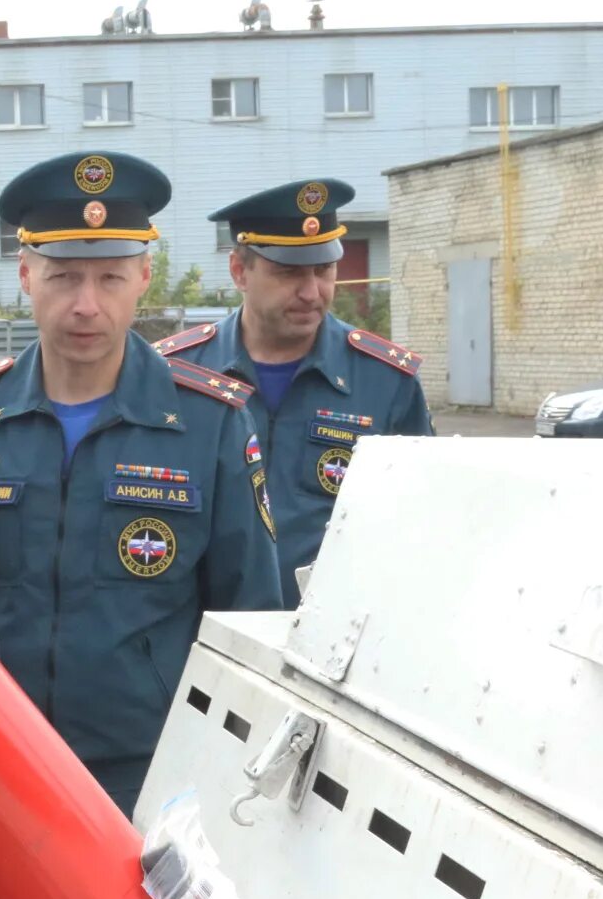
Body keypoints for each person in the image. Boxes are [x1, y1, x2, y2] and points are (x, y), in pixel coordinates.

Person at [0, 152, 282, 818]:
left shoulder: (210, 425)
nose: (86, 304)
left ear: (143, 276)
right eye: (63, 277)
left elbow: (251, 624)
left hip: (151, 777)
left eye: (110, 277)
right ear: (26, 275)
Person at [153, 179, 434, 603]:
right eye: (288, 273)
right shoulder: (175, 373)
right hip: (204, 631)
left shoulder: (386, 381)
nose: (311, 292)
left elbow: (419, 524)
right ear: (239, 271)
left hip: (332, 636)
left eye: (323, 270)